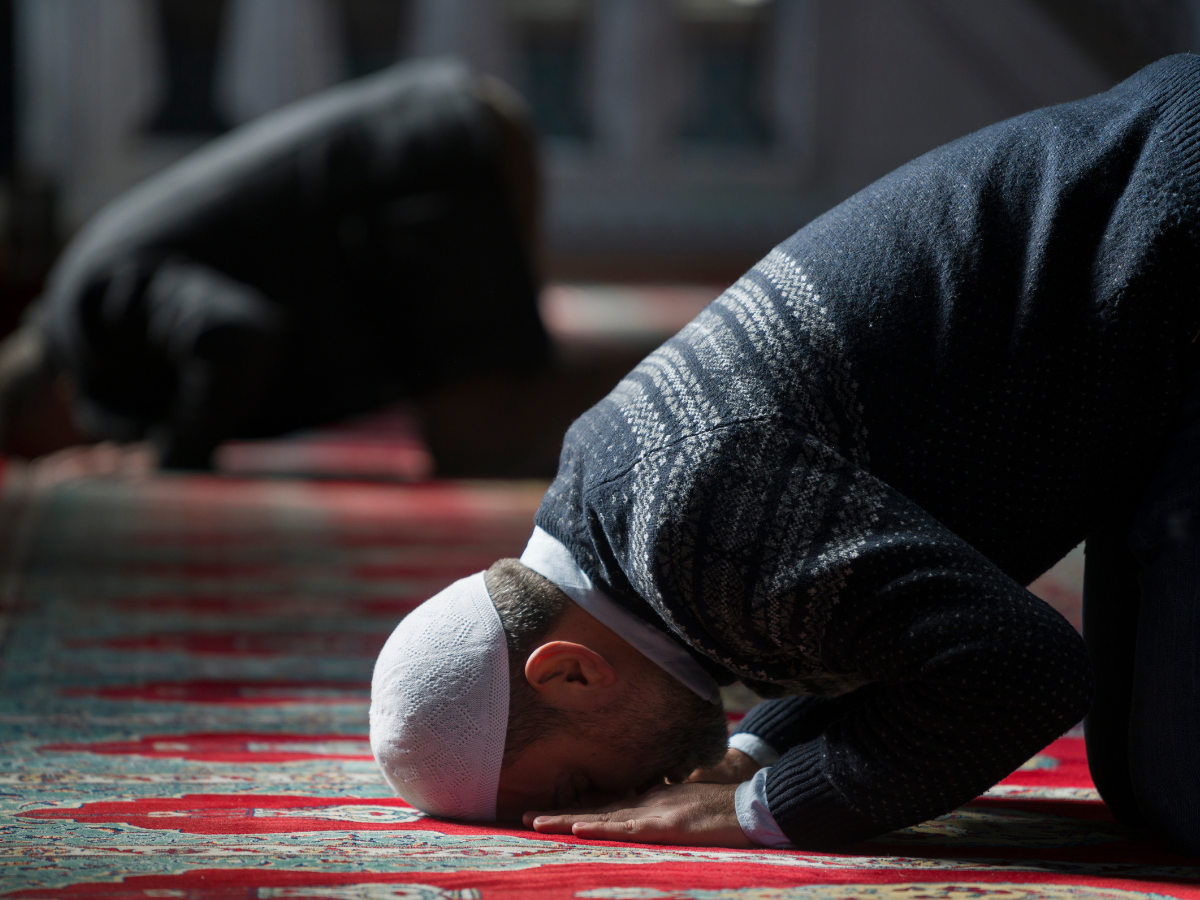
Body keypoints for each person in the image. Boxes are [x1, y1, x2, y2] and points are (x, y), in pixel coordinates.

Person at [370, 53, 1200, 855]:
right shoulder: (620, 508)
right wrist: (753, 755)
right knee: (1133, 782)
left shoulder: (697, 516)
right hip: (1151, 318)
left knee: (1185, 793)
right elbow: (864, 622)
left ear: (571, 674)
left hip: (1179, 245)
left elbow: (1024, 670)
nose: (617, 801)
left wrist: (760, 809)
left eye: (580, 784)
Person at [0, 57, 546, 470]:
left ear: (46, 406)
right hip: (453, 129)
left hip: (441, 157)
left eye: (39, 455)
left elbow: (235, 334)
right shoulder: (84, 294)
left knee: (476, 446)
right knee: (486, 429)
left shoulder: (94, 306)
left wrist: (169, 456)